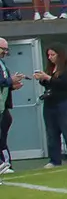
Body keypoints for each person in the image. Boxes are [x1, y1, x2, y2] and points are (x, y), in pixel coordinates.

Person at [34, 44, 67, 168]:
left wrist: (48, 78)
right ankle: (54, 160)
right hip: (51, 103)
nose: (50, 57)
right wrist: (42, 79)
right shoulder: (51, 68)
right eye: (48, 55)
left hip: (66, 102)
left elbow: (65, 84)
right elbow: (50, 84)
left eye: (53, 55)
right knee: (52, 133)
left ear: (60, 55)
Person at [0, 37, 25, 174]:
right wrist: (10, 80)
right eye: (3, 49)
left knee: (2, 137)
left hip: (3, 107)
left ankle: (6, 164)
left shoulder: (2, 64)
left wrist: (12, 85)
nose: (5, 52)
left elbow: (4, 84)